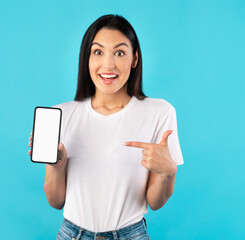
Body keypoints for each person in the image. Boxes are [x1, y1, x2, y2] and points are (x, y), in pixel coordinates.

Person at [28, 14, 184, 240]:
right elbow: (55, 201)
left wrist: (168, 172)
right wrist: (57, 165)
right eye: (98, 52)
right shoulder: (62, 114)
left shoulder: (159, 112)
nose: (108, 64)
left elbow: (155, 202)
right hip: (72, 234)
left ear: (135, 58)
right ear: (87, 59)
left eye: (119, 52)